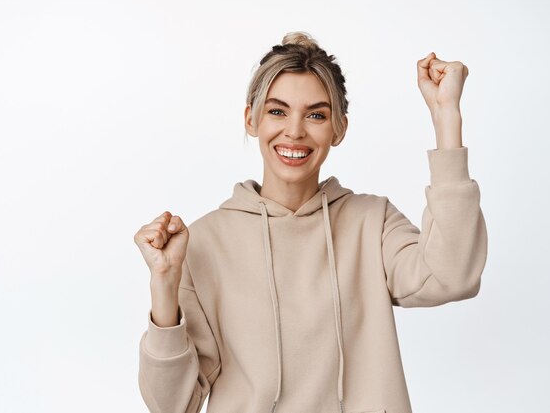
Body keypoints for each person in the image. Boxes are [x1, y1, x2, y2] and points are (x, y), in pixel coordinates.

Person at [133, 31, 487, 413]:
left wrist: (446, 116)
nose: (295, 131)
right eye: (277, 111)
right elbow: (172, 405)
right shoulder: (204, 241)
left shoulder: (372, 222)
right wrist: (164, 288)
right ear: (251, 119)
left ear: (339, 129)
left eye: (316, 114)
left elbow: (453, 275)